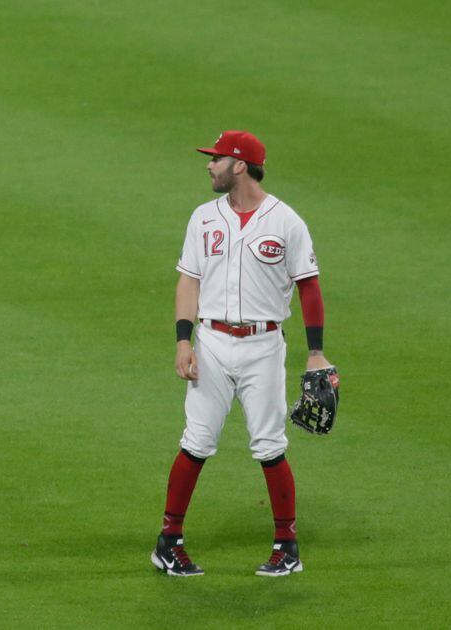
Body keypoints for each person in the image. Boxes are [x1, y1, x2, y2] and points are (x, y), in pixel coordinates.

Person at [151, 131, 334, 577]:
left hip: (264, 346)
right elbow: (188, 281)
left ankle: (286, 545)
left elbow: (309, 286)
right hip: (210, 342)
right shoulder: (203, 218)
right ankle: (168, 541)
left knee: (270, 445)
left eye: (216, 158)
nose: (209, 165)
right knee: (196, 441)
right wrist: (182, 341)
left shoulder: (286, 221)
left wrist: (316, 354)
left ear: (239, 165)